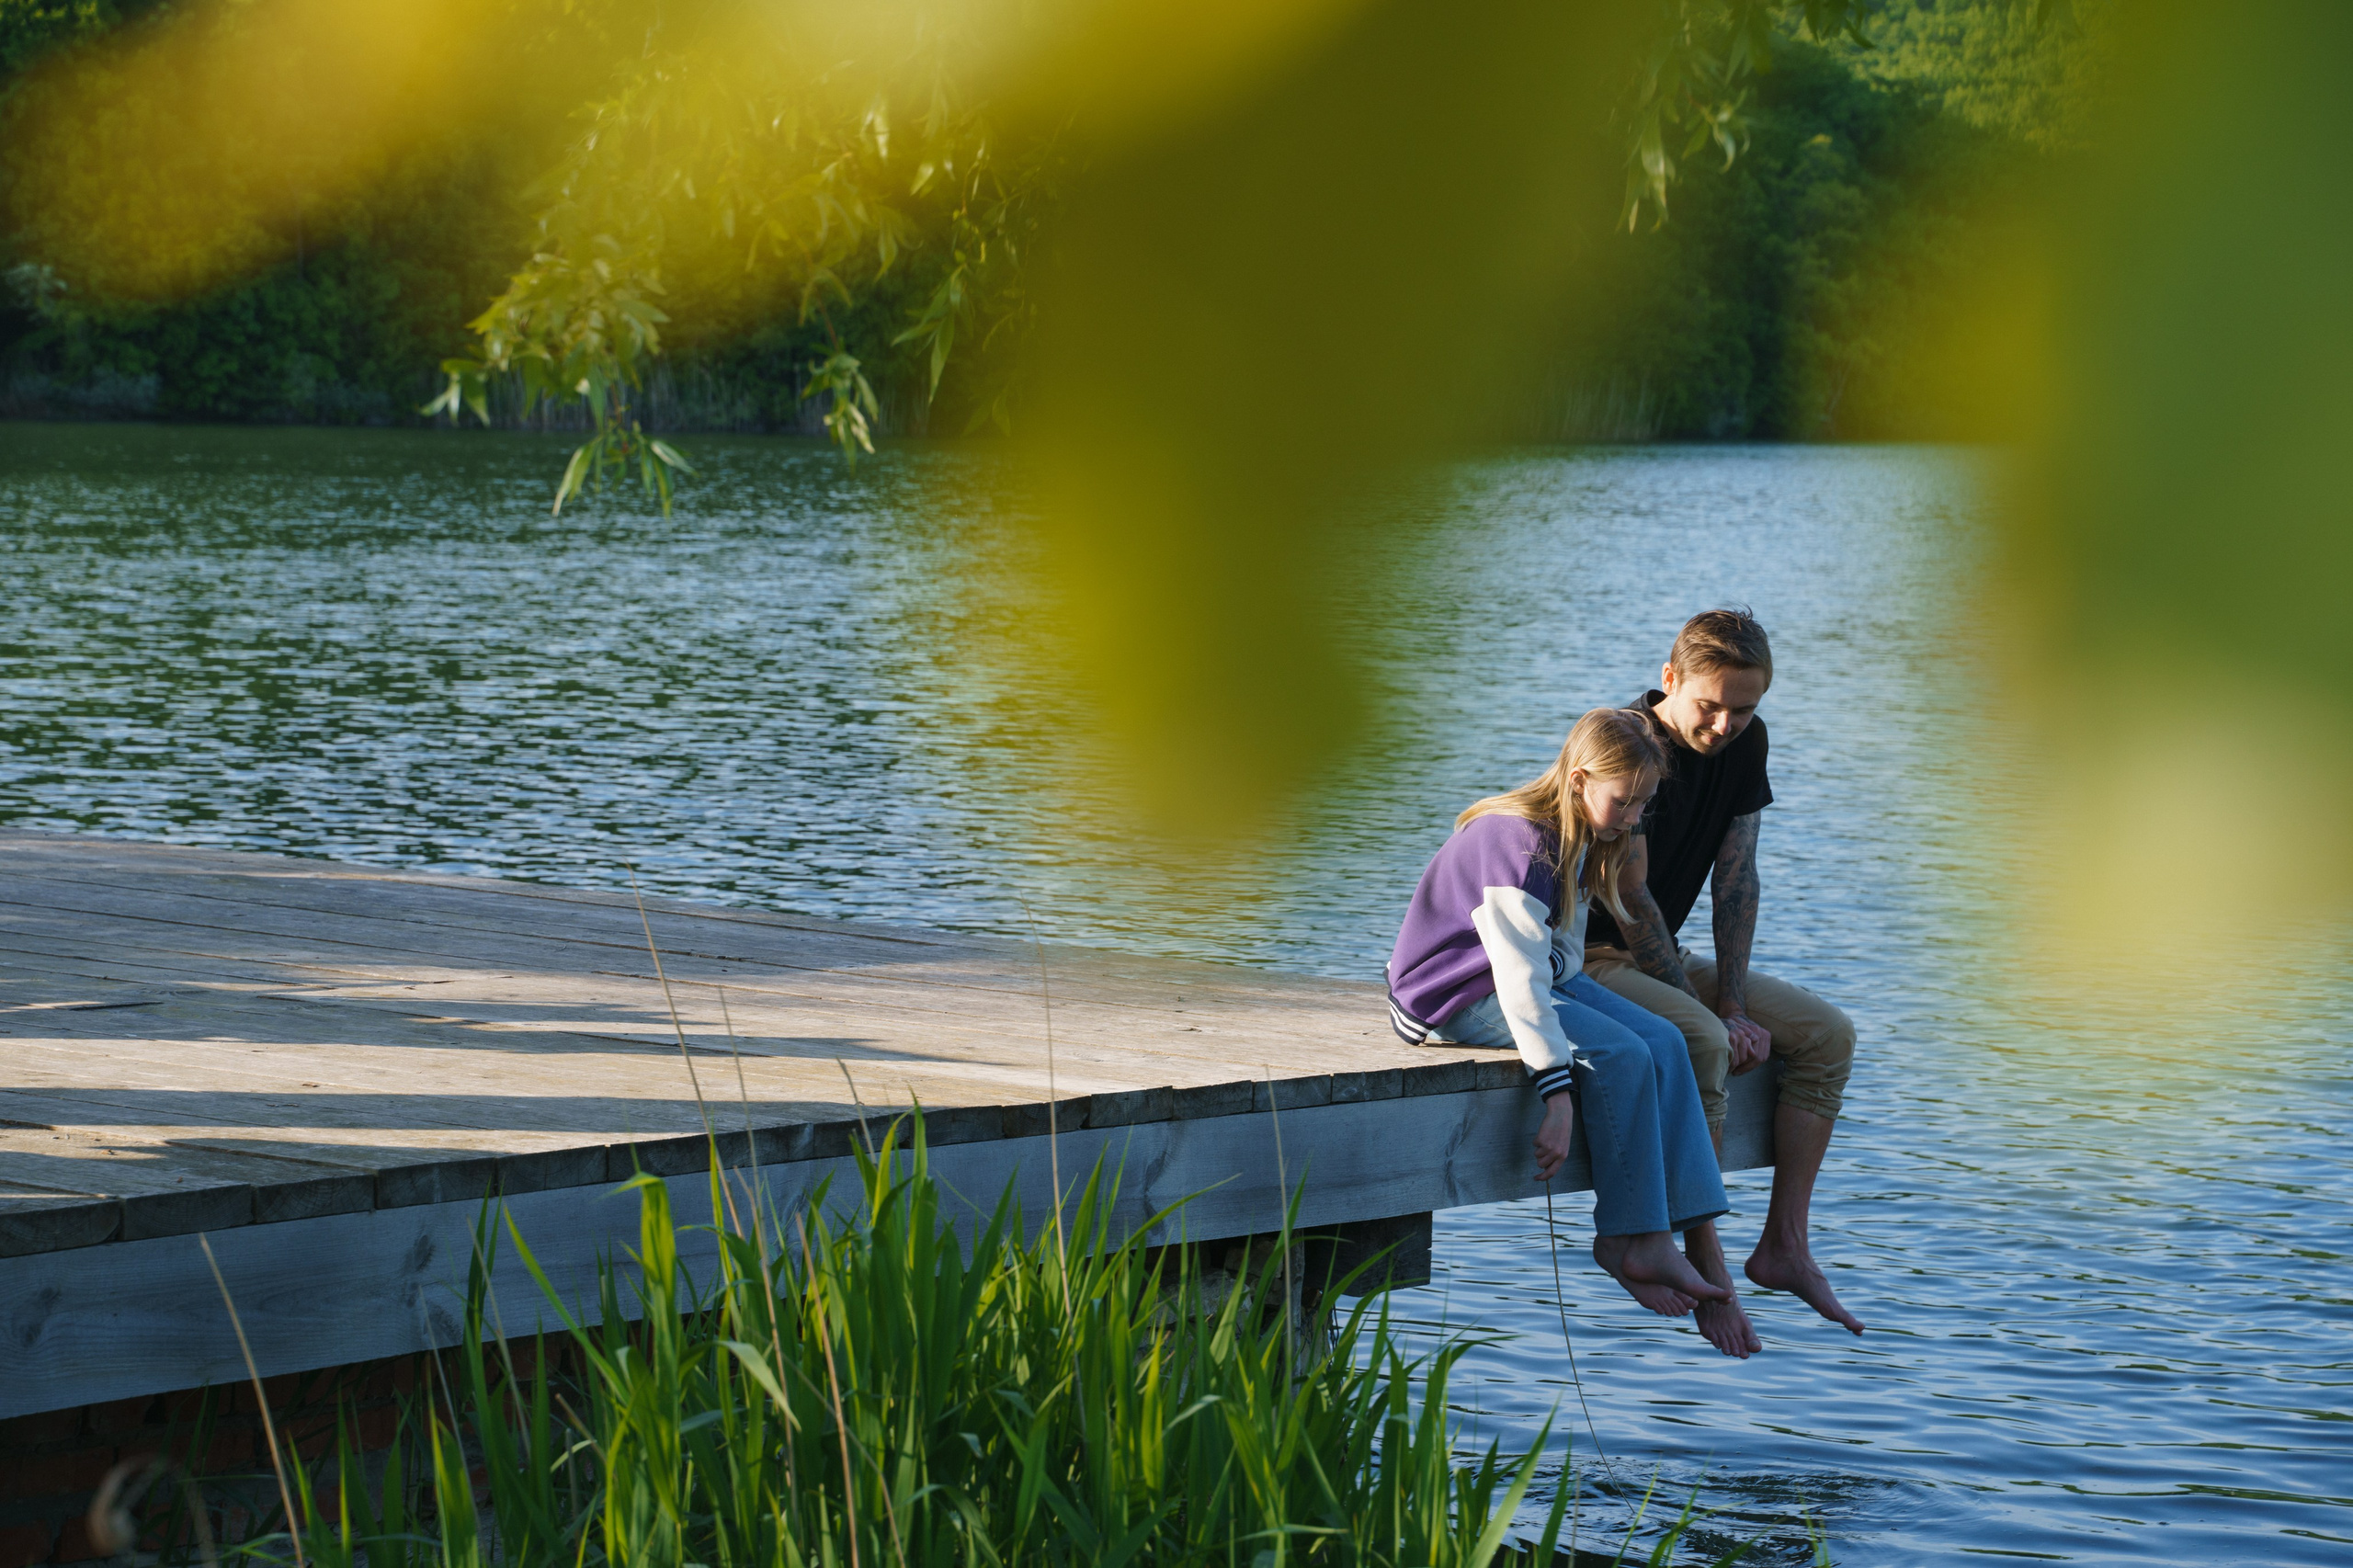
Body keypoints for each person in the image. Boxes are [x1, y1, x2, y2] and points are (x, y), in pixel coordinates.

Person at [1386, 708, 1740, 1326]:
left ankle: (1668, 1231)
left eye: (1643, 806)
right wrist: (1557, 1094)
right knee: (1622, 1054)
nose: (1633, 820)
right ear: (1579, 779)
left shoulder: (1576, 836)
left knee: (1664, 1041)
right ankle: (1631, 1240)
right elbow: (1519, 981)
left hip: (1520, 975)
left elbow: (1560, 958)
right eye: (1625, 802)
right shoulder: (1521, 846)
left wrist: (1586, 1008)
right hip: (1449, 995)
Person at [1583, 608, 1863, 1343]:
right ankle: (1707, 1260)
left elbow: (1738, 876)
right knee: (1704, 1041)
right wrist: (1711, 1016)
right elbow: (1634, 897)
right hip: (1583, 958)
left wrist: (1736, 1002)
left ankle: (1784, 1245)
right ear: (1670, 679)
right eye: (1710, 705)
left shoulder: (1746, 743)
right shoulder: (1629, 744)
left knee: (1829, 1035)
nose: (1724, 724)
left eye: (1744, 709)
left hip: (1656, 956)